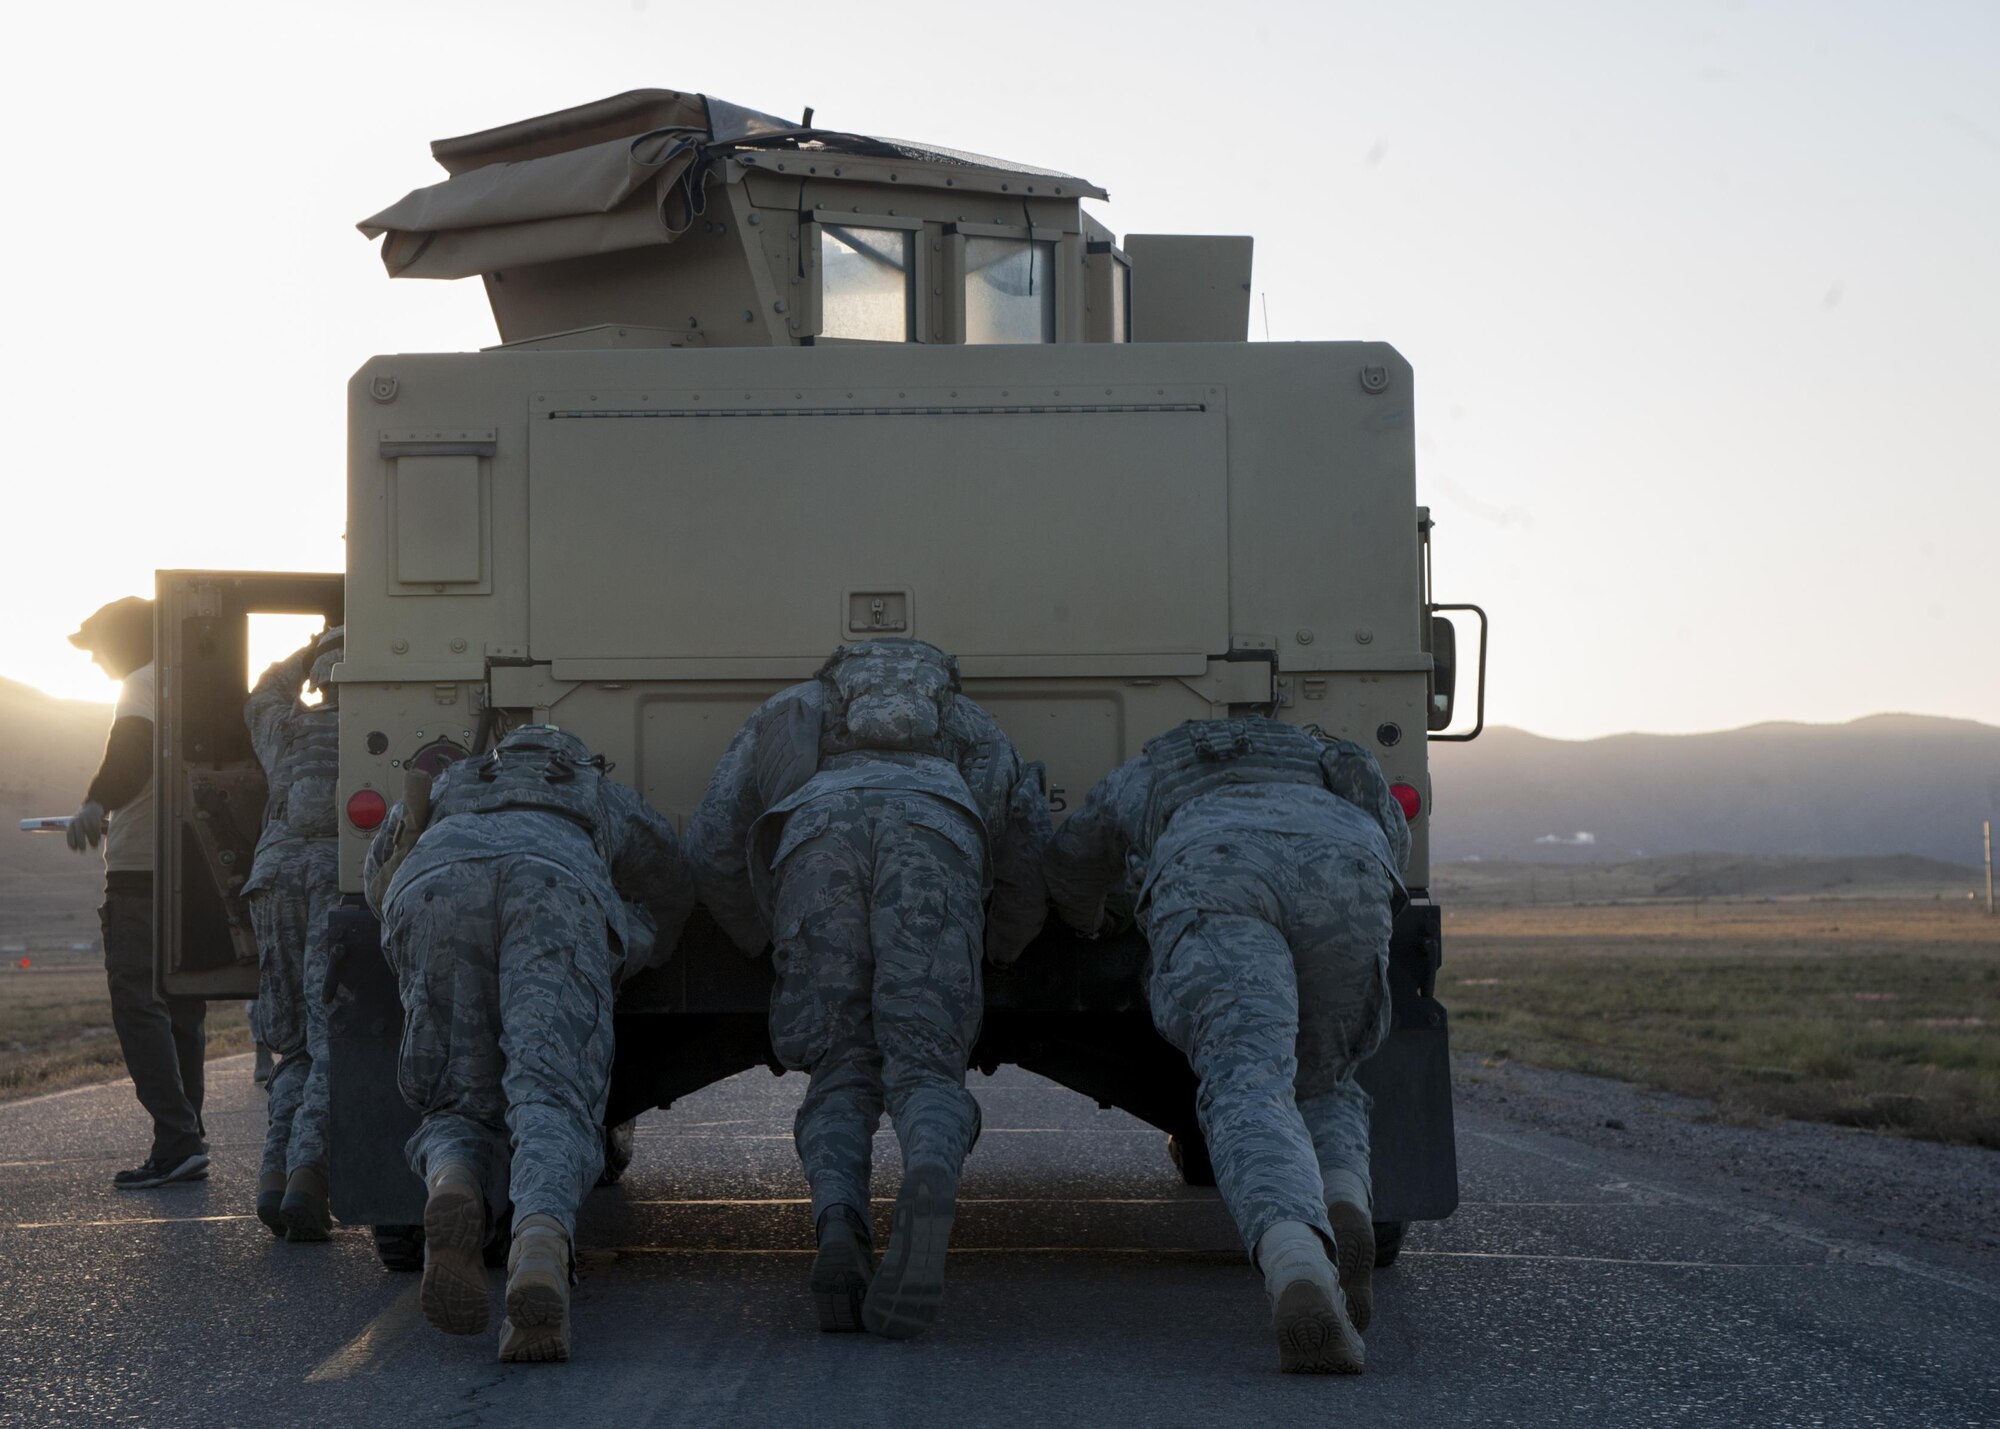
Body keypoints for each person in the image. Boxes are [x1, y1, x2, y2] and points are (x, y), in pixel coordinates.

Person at [687, 638, 1049, 1340]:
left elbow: (711, 839)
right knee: (925, 1063)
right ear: (931, 683)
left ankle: (840, 1227)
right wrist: (1002, 943)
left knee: (840, 1064)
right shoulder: (967, 722)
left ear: (841, 679)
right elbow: (1024, 835)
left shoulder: (791, 711)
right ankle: (931, 1170)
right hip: (935, 836)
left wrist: (755, 934)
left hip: (816, 843)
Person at [1040, 716, 1410, 1375]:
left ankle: (1298, 1264)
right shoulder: (1331, 757)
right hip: (1344, 868)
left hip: (1216, 874)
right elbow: (1394, 833)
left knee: (1249, 1079)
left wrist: (1093, 922)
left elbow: (1073, 867)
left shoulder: (1151, 770)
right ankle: (1345, 1196)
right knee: (1324, 1075)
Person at [364, 725, 692, 1363]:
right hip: (554, 890)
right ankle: (539, 1244)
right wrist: (633, 942)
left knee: (455, 1099)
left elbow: (380, 870)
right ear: (571, 759)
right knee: (552, 1095)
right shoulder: (599, 792)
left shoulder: (450, 785)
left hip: (433, 886)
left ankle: (454, 1180)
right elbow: (674, 881)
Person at [65, 596, 209, 1189]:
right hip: (192, 870)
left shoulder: (139, 686)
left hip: (139, 871)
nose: (96, 662)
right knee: (182, 1007)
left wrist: (97, 800)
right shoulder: (195, 688)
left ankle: (177, 1139)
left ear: (122, 641)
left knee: (137, 1004)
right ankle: (185, 1140)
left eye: (97, 647)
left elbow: (130, 752)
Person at [243, 627, 345, 1240]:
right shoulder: (378, 729)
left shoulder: (282, 728)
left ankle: (273, 1176)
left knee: (292, 1044)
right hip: (336, 878)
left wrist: (312, 647)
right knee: (332, 1032)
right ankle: (310, 1171)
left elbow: (263, 689)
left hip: (275, 876)